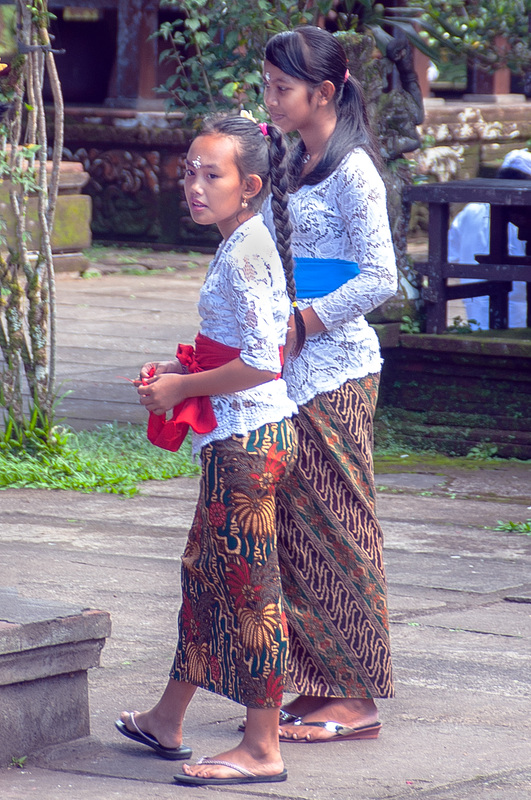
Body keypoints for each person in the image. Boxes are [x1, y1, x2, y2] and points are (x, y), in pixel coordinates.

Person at [116, 114, 305, 786]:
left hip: (249, 444)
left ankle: (261, 746)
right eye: (188, 171)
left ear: (248, 185)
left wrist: (181, 387)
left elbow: (263, 361)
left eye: (211, 174)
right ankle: (167, 718)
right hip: (236, 437)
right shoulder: (239, 243)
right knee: (205, 576)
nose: (193, 185)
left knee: (250, 594)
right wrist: (181, 374)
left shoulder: (249, 251)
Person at [258, 26, 398, 743]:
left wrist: (307, 320)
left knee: (341, 529)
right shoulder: (290, 162)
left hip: (337, 367)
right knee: (297, 531)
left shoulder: (353, 172)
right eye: (266, 86)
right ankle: (317, 684)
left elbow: (381, 276)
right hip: (292, 366)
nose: (270, 99)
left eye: (281, 88)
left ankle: (357, 698)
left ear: (323, 92)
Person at [448, 149, 531, 329]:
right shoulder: (522, 214)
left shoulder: (469, 210)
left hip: (475, 304)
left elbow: (450, 254)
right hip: (516, 311)